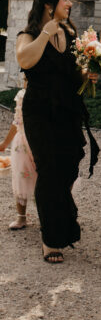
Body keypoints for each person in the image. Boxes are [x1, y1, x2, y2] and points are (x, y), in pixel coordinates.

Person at [16, 0, 99, 263]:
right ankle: (51, 238)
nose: (70, 3)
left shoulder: (71, 32)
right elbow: (25, 61)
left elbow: (74, 72)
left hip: (68, 110)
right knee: (49, 167)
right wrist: (45, 35)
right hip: (40, 111)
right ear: (49, 4)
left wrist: (90, 74)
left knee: (68, 165)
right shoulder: (28, 34)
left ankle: (60, 219)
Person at [0, 79, 36, 230]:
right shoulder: (22, 95)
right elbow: (17, 122)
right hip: (23, 142)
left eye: (28, 79)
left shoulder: (47, 93)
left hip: (41, 140)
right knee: (20, 177)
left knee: (46, 178)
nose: (25, 82)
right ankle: (21, 217)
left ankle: (54, 214)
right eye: (25, 79)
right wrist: (4, 144)